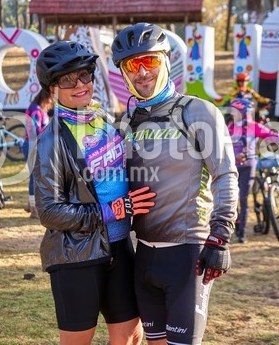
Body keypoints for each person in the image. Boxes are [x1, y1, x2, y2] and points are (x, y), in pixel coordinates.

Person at [111, 22, 238, 344]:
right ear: (123, 73)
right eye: (132, 66)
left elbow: (225, 174)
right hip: (143, 254)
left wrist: (220, 236)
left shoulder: (198, 112)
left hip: (188, 254)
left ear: (166, 61)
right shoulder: (126, 123)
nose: (142, 72)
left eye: (149, 61)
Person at [34, 41, 155, 345]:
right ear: (52, 89)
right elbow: (48, 211)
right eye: (67, 80)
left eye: (84, 76)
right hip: (77, 255)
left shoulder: (106, 122)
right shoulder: (51, 140)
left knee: (130, 337)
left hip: (120, 248)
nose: (79, 85)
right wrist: (111, 211)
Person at [225, 98, 279, 244]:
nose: (233, 113)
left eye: (236, 111)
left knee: (243, 198)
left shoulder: (253, 126)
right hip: (232, 167)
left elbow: (272, 135)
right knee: (232, 198)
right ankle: (235, 222)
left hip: (248, 166)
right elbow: (222, 146)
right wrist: (234, 155)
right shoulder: (229, 127)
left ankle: (241, 233)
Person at [22, 89, 53, 217]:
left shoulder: (37, 109)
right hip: (33, 145)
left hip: (33, 144)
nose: (51, 102)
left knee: (35, 175)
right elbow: (35, 130)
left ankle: (30, 203)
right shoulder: (36, 110)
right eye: (50, 99)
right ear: (45, 97)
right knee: (35, 176)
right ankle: (34, 207)